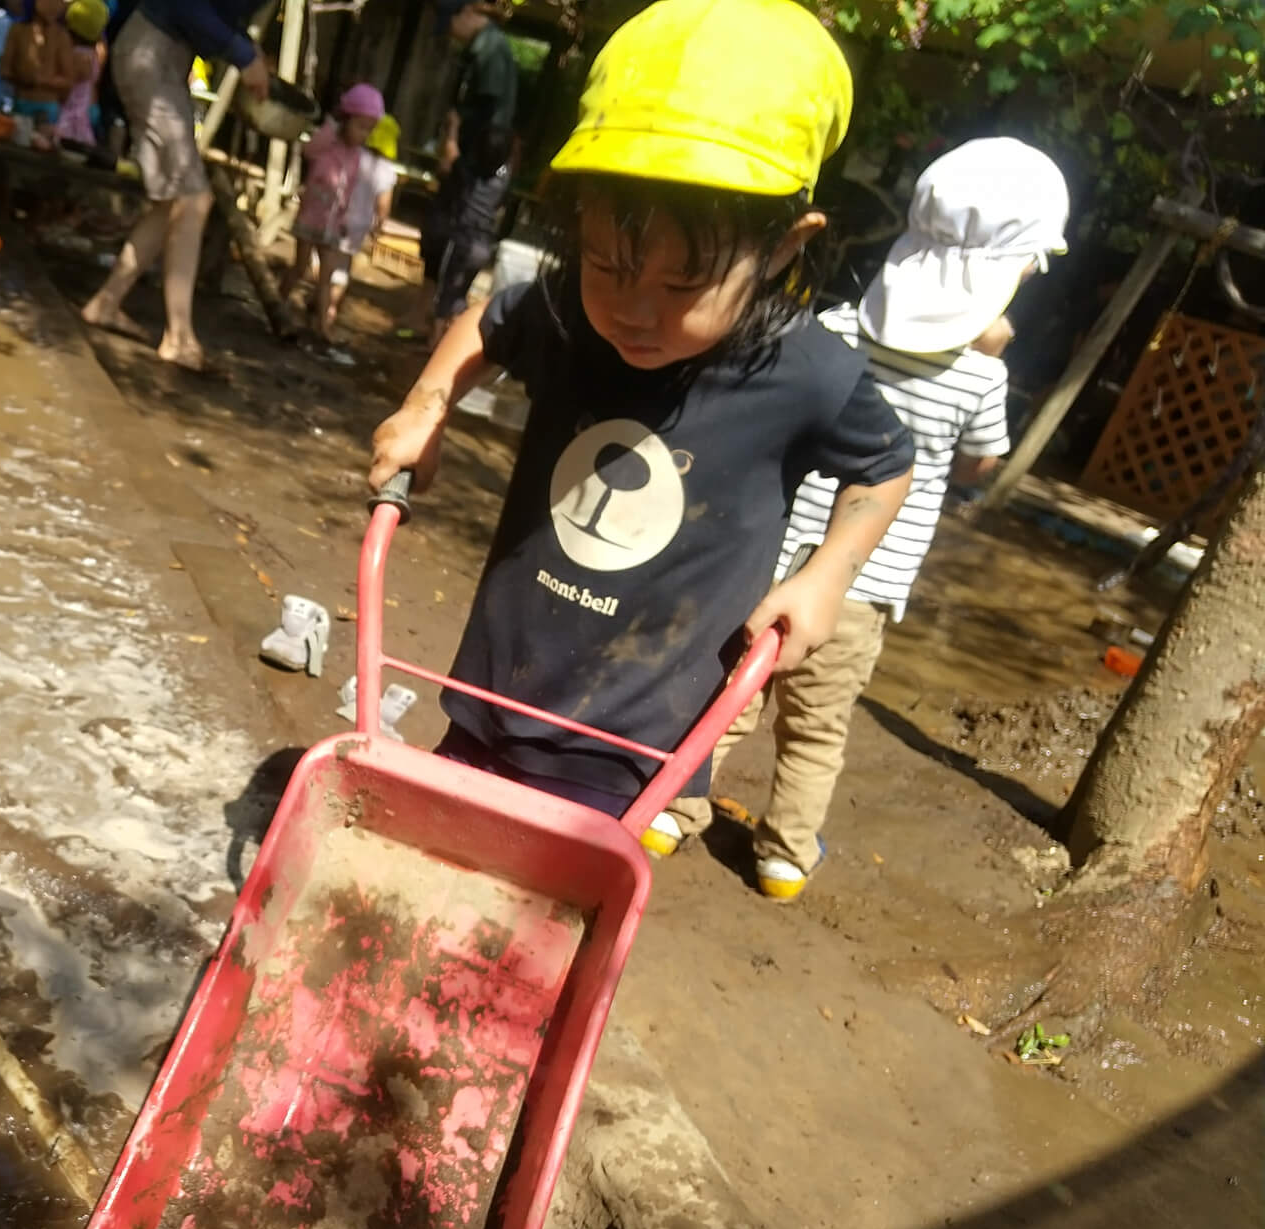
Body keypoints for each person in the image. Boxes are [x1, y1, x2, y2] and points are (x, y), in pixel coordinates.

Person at [367, 0, 916, 826]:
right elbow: (489, 321)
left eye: (682, 286)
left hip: (631, 745)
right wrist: (426, 408)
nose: (634, 311)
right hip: (489, 685)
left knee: (554, 904)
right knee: (435, 855)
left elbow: (884, 464)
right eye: (608, 265)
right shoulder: (567, 312)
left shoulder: (806, 372)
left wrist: (825, 578)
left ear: (783, 247)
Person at [649, 137, 1070, 899]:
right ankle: (784, 855)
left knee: (730, 695)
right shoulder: (982, 377)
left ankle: (672, 809)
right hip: (860, 587)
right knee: (815, 729)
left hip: (769, 566)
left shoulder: (834, 333)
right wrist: (989, 363)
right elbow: (979, 466)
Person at [77, 0, 269, 371]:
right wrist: (244, 55)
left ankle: (106, 303)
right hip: (152, 57)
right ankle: (179, 337)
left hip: (161, 59)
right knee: (193, 198)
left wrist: (247, 49)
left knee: (171, 202)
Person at [411, 0, 518, 341]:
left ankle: (443, 331)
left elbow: (487, 120)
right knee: (441, 235)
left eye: (451, 23)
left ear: (468, 12)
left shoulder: (492, 52)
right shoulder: (479, 50)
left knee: (464, 246)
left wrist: (455, 142)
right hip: (468, 166)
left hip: (478, 170)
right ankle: (427, 319)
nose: (451, 34)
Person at [279, 83, 398, 354]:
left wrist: (344, 218)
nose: (364, 135)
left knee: (327, 277)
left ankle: (323, 326)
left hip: (333, 224)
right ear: (346, 120)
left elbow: (349, 188)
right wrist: (331, 127)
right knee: (300, 268)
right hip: (311, 217)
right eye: (360, 127)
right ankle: (277, 301)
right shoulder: (327, 142)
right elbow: (308, 151)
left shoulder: (356, 156)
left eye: (369, 129)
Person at [2, 0, 80, 142]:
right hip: (21, 104)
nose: (54, 6)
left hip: (47, 109)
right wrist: (22, 78)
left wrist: (41, 81)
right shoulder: (17, 30)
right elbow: (4, 70)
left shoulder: (61, 36)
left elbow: (68, 80)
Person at [58, 0, 110, 147]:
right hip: (85, 111)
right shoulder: (93, 56)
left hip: (70, 114)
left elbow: (67, 86)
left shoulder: (78, 57)